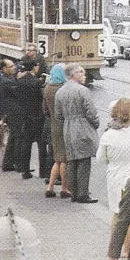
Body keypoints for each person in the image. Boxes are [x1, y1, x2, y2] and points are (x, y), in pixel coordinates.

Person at [97, 98, 130, 257]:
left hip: (115, 176)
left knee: (117, 214)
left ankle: (115, 249)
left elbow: (100, 159)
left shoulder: (108, 136)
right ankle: (128, 250)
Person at [55, 63, 100, 204]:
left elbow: (58, 115)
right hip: (82, 126)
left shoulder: (60, 92)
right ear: (73, 74)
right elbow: (91, 112)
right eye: (80, 72)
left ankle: (73, 192)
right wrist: (95, 124)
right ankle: (83, 193)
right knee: (84, 160)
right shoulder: (82, 91)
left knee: (72, 160)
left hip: (68, 127)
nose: (83, 75)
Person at [11, 60, 47, 180]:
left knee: (26, 144)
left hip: (24, 116)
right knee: (41, 145)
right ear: (34, 68)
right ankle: (43, 171)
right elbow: (41, 98)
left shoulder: (19, 82)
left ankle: (25, 170)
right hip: (37, 116)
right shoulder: (37, 82)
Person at [43, 64, 71, 199]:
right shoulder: (63, 89)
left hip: (53, 125)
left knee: (57, 159)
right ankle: (64, 188)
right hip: (64, 125)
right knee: (64, 159)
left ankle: (50, 186)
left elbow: (45, 111)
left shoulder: (47, 88)